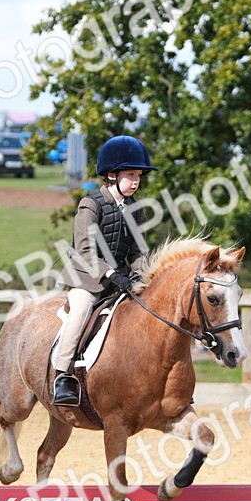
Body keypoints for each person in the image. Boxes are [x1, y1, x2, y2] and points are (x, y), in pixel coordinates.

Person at [51, 135, 154, 406]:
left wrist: (144, 275)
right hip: (87, 279)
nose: (136, 181)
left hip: (121, 279)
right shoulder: (90, 205)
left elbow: (138, 252)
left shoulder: (136, 210)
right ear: (111, 175)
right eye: (130, 175)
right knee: (81, 311)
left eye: (139, 176)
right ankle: (62, 376)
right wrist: (111, 274)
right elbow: (85, 252)